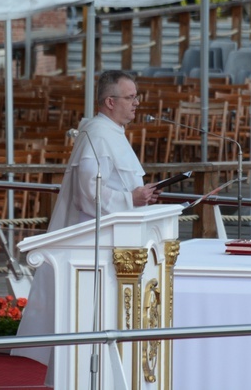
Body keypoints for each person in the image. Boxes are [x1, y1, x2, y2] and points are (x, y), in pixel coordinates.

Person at [12, 70, 160, 372]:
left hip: (117, 238)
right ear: (109, 101)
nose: (136, 104)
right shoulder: (96, 134)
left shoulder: (111, 133)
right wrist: (130, 199)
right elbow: (87, 192)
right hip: (92, 242)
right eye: (130, 97)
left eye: (135, 97)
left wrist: (138, 197)